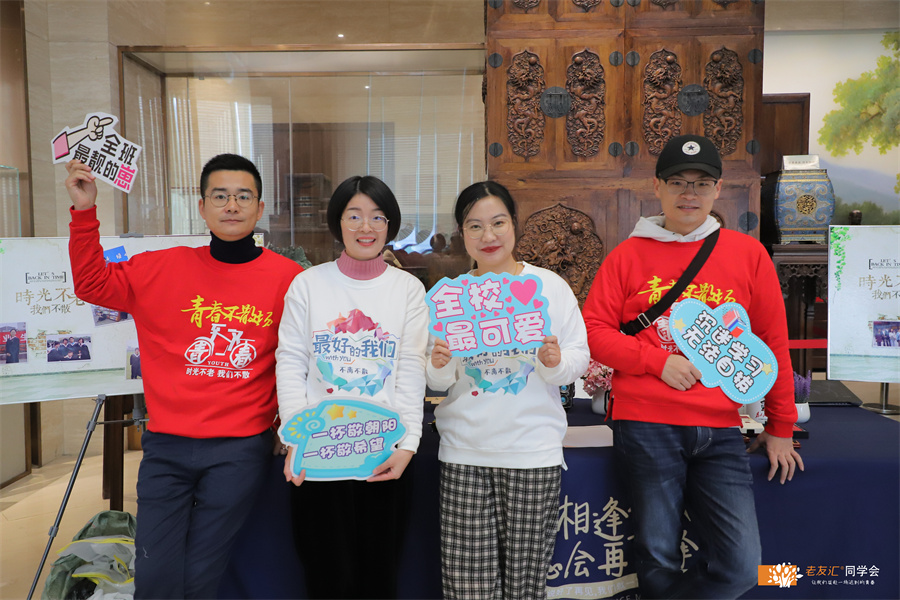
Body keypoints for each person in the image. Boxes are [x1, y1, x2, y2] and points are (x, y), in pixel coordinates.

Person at [65, 152, 303, 599]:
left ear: (258, 208)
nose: (231, 206)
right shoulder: (161, 266)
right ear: (201, 207)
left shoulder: (289, 279)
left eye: (243, 196)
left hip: (239, 449)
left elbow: (299, 358)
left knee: (200, 572)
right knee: (155, 573)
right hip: (166, 445)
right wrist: (84, 211)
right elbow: (92, 284)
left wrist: (285, 423)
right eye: (220, 196)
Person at [581, 134, 804, 599]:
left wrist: (780, 425)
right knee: (658, 556)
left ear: (718, 189)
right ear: (657, 188)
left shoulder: (748, 254)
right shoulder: (627, 256)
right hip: (646, 424)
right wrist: (655, 361)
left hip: (721, 428)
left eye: (701, 183)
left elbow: (772, 345)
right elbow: (594, 332)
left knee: (742, 566)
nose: (689, 193)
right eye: (678, 182)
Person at [426, 181, 590, 600]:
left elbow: (578, 359)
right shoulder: (450, 297)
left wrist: (554, 363)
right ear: (462, 233)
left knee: (525, 587)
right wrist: (439, 366)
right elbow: (437, 381)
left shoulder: (549, 287)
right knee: (468, 588)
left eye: (498, 222)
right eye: (475, 226)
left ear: (514, 224)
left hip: (532, 453)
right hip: (464, 452)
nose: (488, 235)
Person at [275, 175, 428, 599]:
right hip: (319, 452)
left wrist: (408, 446)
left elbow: (411, 368)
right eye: (354, 216)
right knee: (326, 576)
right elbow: (291, 361)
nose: (366, 227)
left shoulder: (407, 289)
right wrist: (295, 438)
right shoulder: (309, 284)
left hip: (384, 452)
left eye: (378, 217)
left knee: (379, 575)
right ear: (338, 223)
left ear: (389, 225)